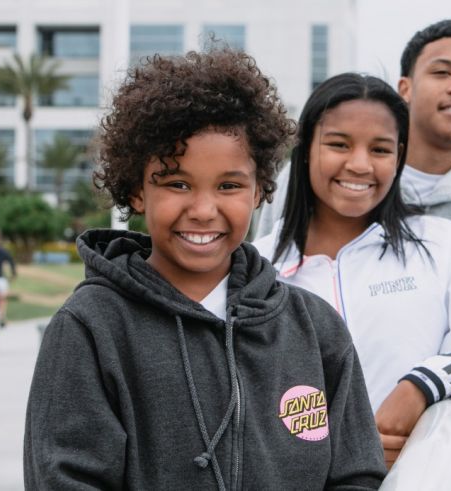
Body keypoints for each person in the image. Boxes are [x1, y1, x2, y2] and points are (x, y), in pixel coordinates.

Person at [23, 50, 386, 489]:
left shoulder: (314, 328)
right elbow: (66, 479)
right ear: (137, 191)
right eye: (178, 183)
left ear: (259, 192)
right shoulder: (91, 327)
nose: (202, 209)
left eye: (229, 186)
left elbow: (357, 474)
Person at [253, 73, 451, 469]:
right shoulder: (257, 269)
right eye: (339, 144)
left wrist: (423, 385)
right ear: (306, 151)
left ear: (399, 157)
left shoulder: (440, 246)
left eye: (380, 149)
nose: (359, 164)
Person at [256, 19, 451, 330]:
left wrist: (424, 379)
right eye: (442, 72)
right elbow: (267, 275)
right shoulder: (306, 176)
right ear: (405, 88)